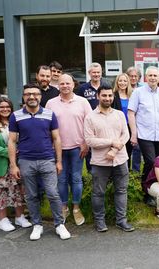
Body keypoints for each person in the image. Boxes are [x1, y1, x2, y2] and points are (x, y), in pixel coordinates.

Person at [8, 84, 70, 241]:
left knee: (52, 193)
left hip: (47, 160)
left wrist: (59, 161)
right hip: (26, 161)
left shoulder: (49, 114)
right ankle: (37, 225)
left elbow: (56, 138)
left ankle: (59, 224)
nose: (32, 97)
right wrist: (14, 165)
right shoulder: (16, 116)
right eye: (28, 94)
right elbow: (12, 141)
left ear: (40, 97)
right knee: (31, 195)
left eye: (35, 94)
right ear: (23, 97)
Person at [84, 86, 134, 232]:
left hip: (120, 159)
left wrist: (114, 150)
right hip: (100, 161)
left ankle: (121, 220)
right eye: (104, 95)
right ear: (98, 96)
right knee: (98, 192)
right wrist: (111, 142)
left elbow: (126, 135)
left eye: (110, 96)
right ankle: (99, 221)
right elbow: (90, 141)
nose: (107, 98)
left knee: (121, 190)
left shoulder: (119, 114)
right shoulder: (90, 117)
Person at [46, 74, 92, 226]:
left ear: (73, 84)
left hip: (77, 147)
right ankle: (64, 207)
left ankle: (76, 208)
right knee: (61, 179)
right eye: (62, 83)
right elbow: (46, 126)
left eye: (68, 83)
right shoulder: (51, 103)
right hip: (57, 148)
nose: (65, 86)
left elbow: (90, 123)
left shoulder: (82, 102)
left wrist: (86, 143)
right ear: (58, 85)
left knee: (76, 178)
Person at [0, 97, 32, 231]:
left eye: (7, 107)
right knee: (0, 192)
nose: (5, 109)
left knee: (18, 191)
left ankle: (19, 217)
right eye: (1, 107)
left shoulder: (16, 122)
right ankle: (3, 220)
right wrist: (9, 152)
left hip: (18, 163)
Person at [128, 66, 159, 206]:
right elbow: (131, 113)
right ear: (146, 78)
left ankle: (156, 188)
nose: (153, 78)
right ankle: (145, 190)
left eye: (155, 75)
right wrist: (134, 134)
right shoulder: (138, 93)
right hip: (144, 134)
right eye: (150, 75)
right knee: (151, 162)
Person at [112, 73, 136, 170]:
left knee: (128, 151)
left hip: (129, 126)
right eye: (120, 81)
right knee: (117, 150)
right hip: (117, 127)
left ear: (128, 82)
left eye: (125, 81)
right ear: (117, 82)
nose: (122, 83)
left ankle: (127, 172)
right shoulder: (113, 95)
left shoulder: (132, 95)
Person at [125, 67, 143, 172]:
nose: (133, 78)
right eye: (131, 76)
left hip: (139, 122)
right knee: (126, 149)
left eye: (135, 76)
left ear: (139, 77)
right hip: (126, 122)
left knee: (137, 148)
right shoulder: (123, 87)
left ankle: (136, 172)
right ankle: (126, 171)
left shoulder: (142, 88)